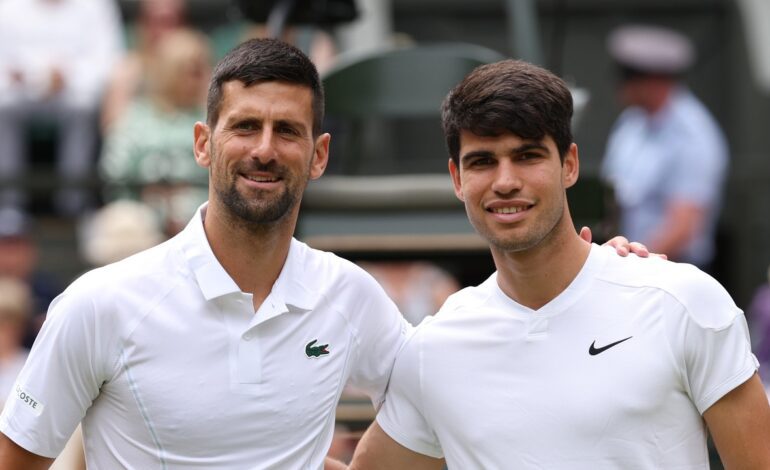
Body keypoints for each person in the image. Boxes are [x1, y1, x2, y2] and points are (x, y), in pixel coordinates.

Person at [0, 39, 646, 468]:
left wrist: (586, 276)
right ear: (204, 144)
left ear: (319, 155)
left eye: (288, 131)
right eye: (245, 126)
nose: (264, 148)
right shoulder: (99, 302)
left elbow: (463, 384)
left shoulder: (349, 296)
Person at [348, 59, 770, 469]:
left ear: (569, 164)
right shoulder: (432, 350)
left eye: (527, 156)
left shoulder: (682, 302)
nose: (506, 181)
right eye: (482, 161)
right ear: (457, 179)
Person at [601, 25, 729, 272]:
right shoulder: (630, 123)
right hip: (631, 264)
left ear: (656, 81)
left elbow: (683, 226)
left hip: (671, 270)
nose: (621, 86)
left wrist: (633, 269)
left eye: (630, 77)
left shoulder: (693, 135)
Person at [0, 0, 124, 215]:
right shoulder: (8, 6)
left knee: (82, 108)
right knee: (4, 108)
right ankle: (9, 209)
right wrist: (18, 76)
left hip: (74, 93)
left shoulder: (96, 6)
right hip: (18, 93)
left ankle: (73, 208)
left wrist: (69, 77)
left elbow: (110, 60)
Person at [100, 27, 212, 235]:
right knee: (122, 224)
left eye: (201, 71)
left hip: (202, 210)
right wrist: (157, 195)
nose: (199, 79)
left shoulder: (214, 117)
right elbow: (113, 171)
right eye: (191, 72)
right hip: (142, 209)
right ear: (169, 72)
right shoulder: (136, 117)